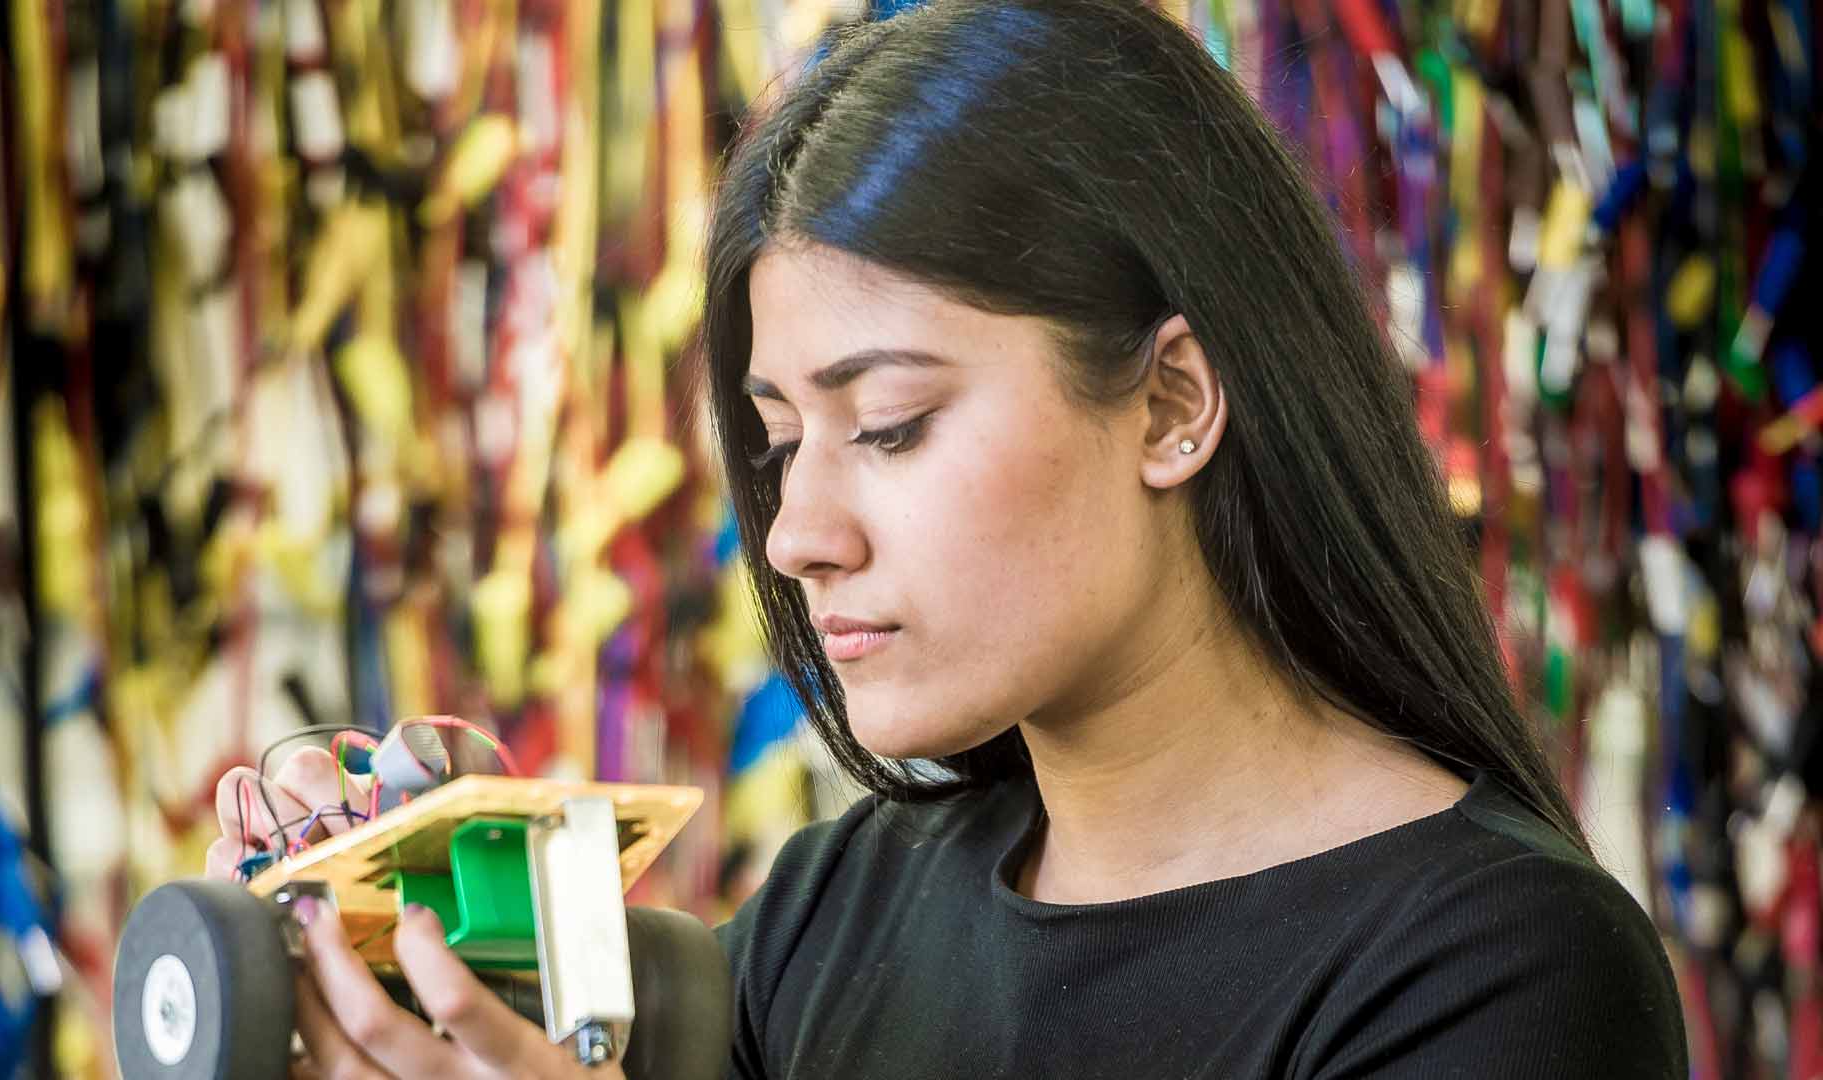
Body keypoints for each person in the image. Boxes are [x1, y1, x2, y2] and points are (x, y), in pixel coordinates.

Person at [208, 0, 1692, 1075]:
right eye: (780, 439)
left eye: (894, 424)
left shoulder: (1500, 974)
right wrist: (433, 962)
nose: (795, 533)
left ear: (1171, 403)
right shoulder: (827, 915)